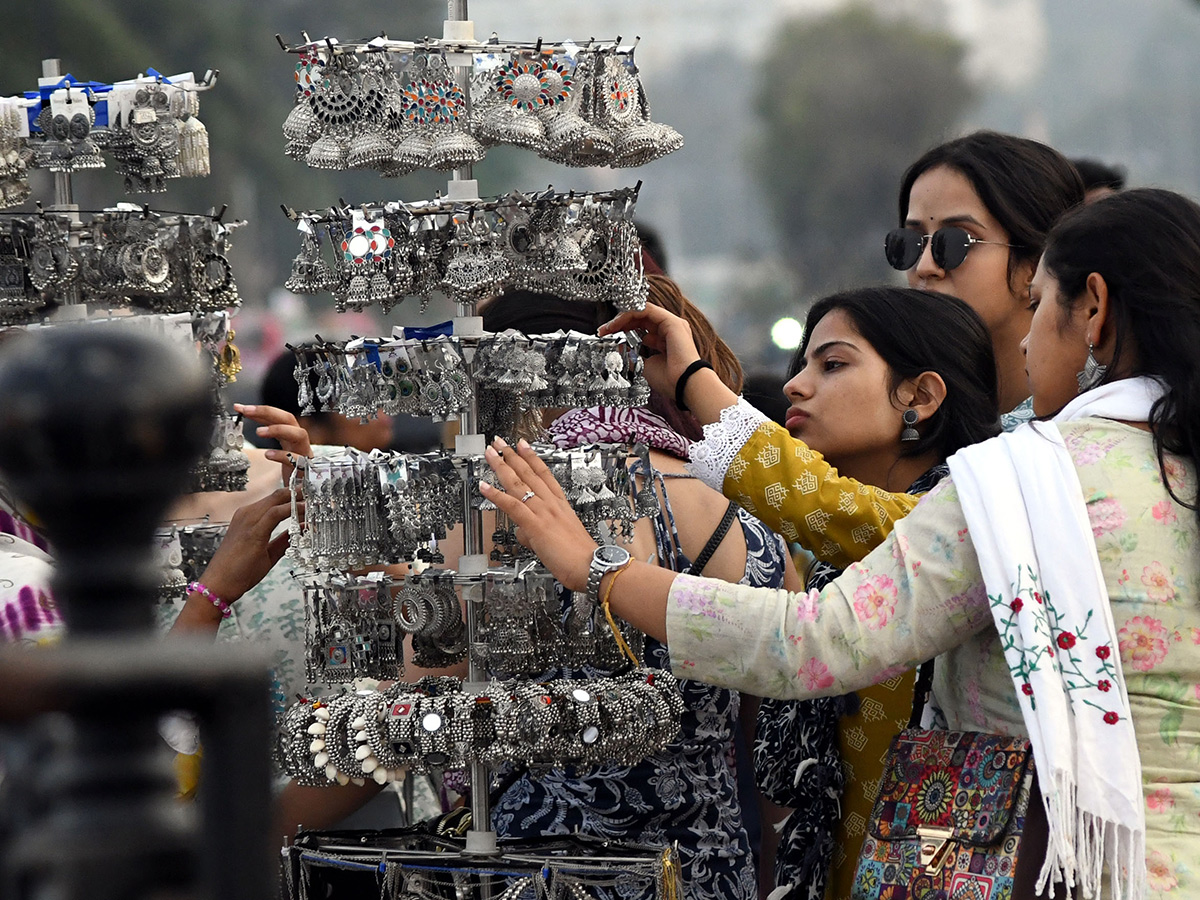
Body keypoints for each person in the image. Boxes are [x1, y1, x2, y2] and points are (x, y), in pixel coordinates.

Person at [482, 187, 1200, 899]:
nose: (1023, 335)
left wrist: (599, 569)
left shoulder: (1019, 484)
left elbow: (815, 641)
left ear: (1095, 310)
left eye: (1040, 305)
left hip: (1047, 870)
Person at [478, 277, 800, 900]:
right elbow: (774, 745)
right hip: (709, 863)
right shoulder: (751, 516)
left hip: (546, 867)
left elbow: (422, 688)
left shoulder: (500, 513)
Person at [746, 286, 999, 900]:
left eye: (831, 364)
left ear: (920, 396)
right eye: (801, 366)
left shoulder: (964, 526)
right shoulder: (834, 558)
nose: (796, 387)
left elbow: (836, 511)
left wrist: (694, 383)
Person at [887, 130, 1084, 429]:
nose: (925, 266)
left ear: (1036, 265)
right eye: (910, 242)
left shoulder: (1082, 438)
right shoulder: (896, 417)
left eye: (957, 242)